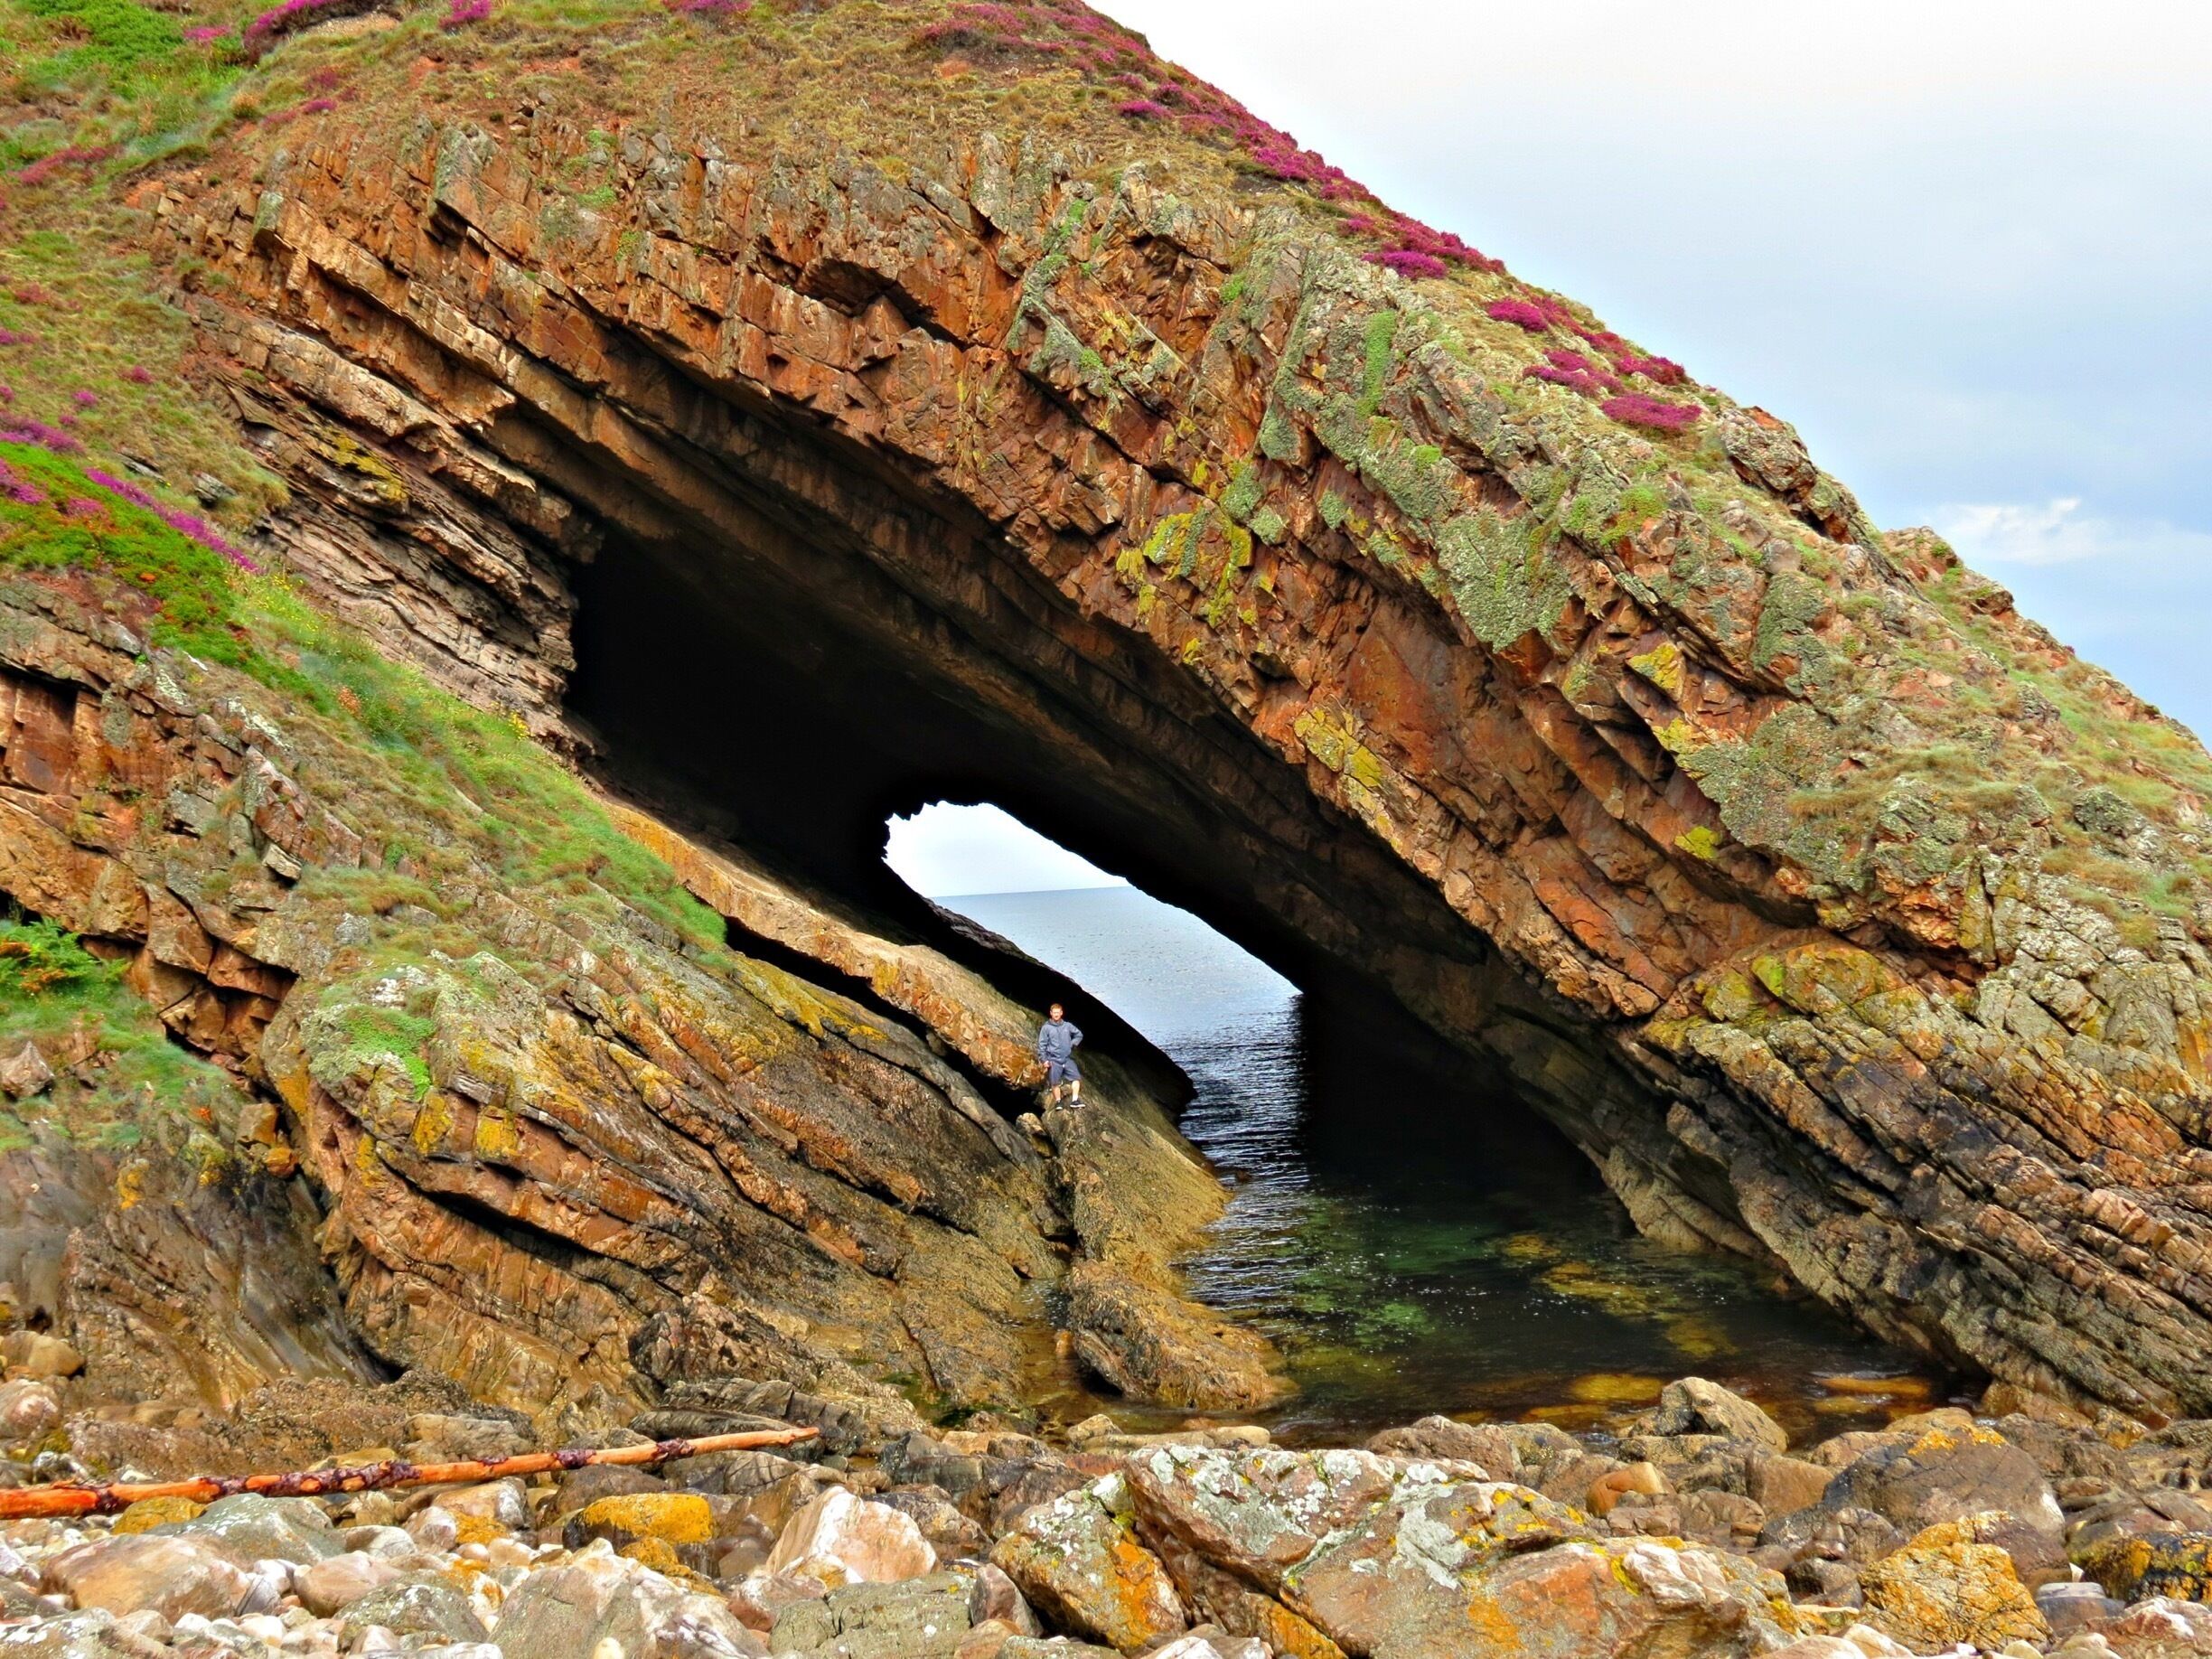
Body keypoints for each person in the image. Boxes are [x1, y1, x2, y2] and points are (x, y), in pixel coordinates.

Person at [1036, 1003, 1084, 1109]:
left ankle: (1075, 1100)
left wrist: (1072, 1043)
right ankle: (1058, 1102)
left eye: (1058, 1012)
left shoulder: (1068, 1026)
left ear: (1061, 1013)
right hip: (1053, 1060)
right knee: (1055, 1083)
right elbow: (1042, 1045)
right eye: (1054, 1013)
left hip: (1066, 1059)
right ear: (1051, 1013)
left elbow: (1079, 1034)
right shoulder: (1046, 1028)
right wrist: (1044, 1060)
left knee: (1076, 1078)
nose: (1056, 1014)